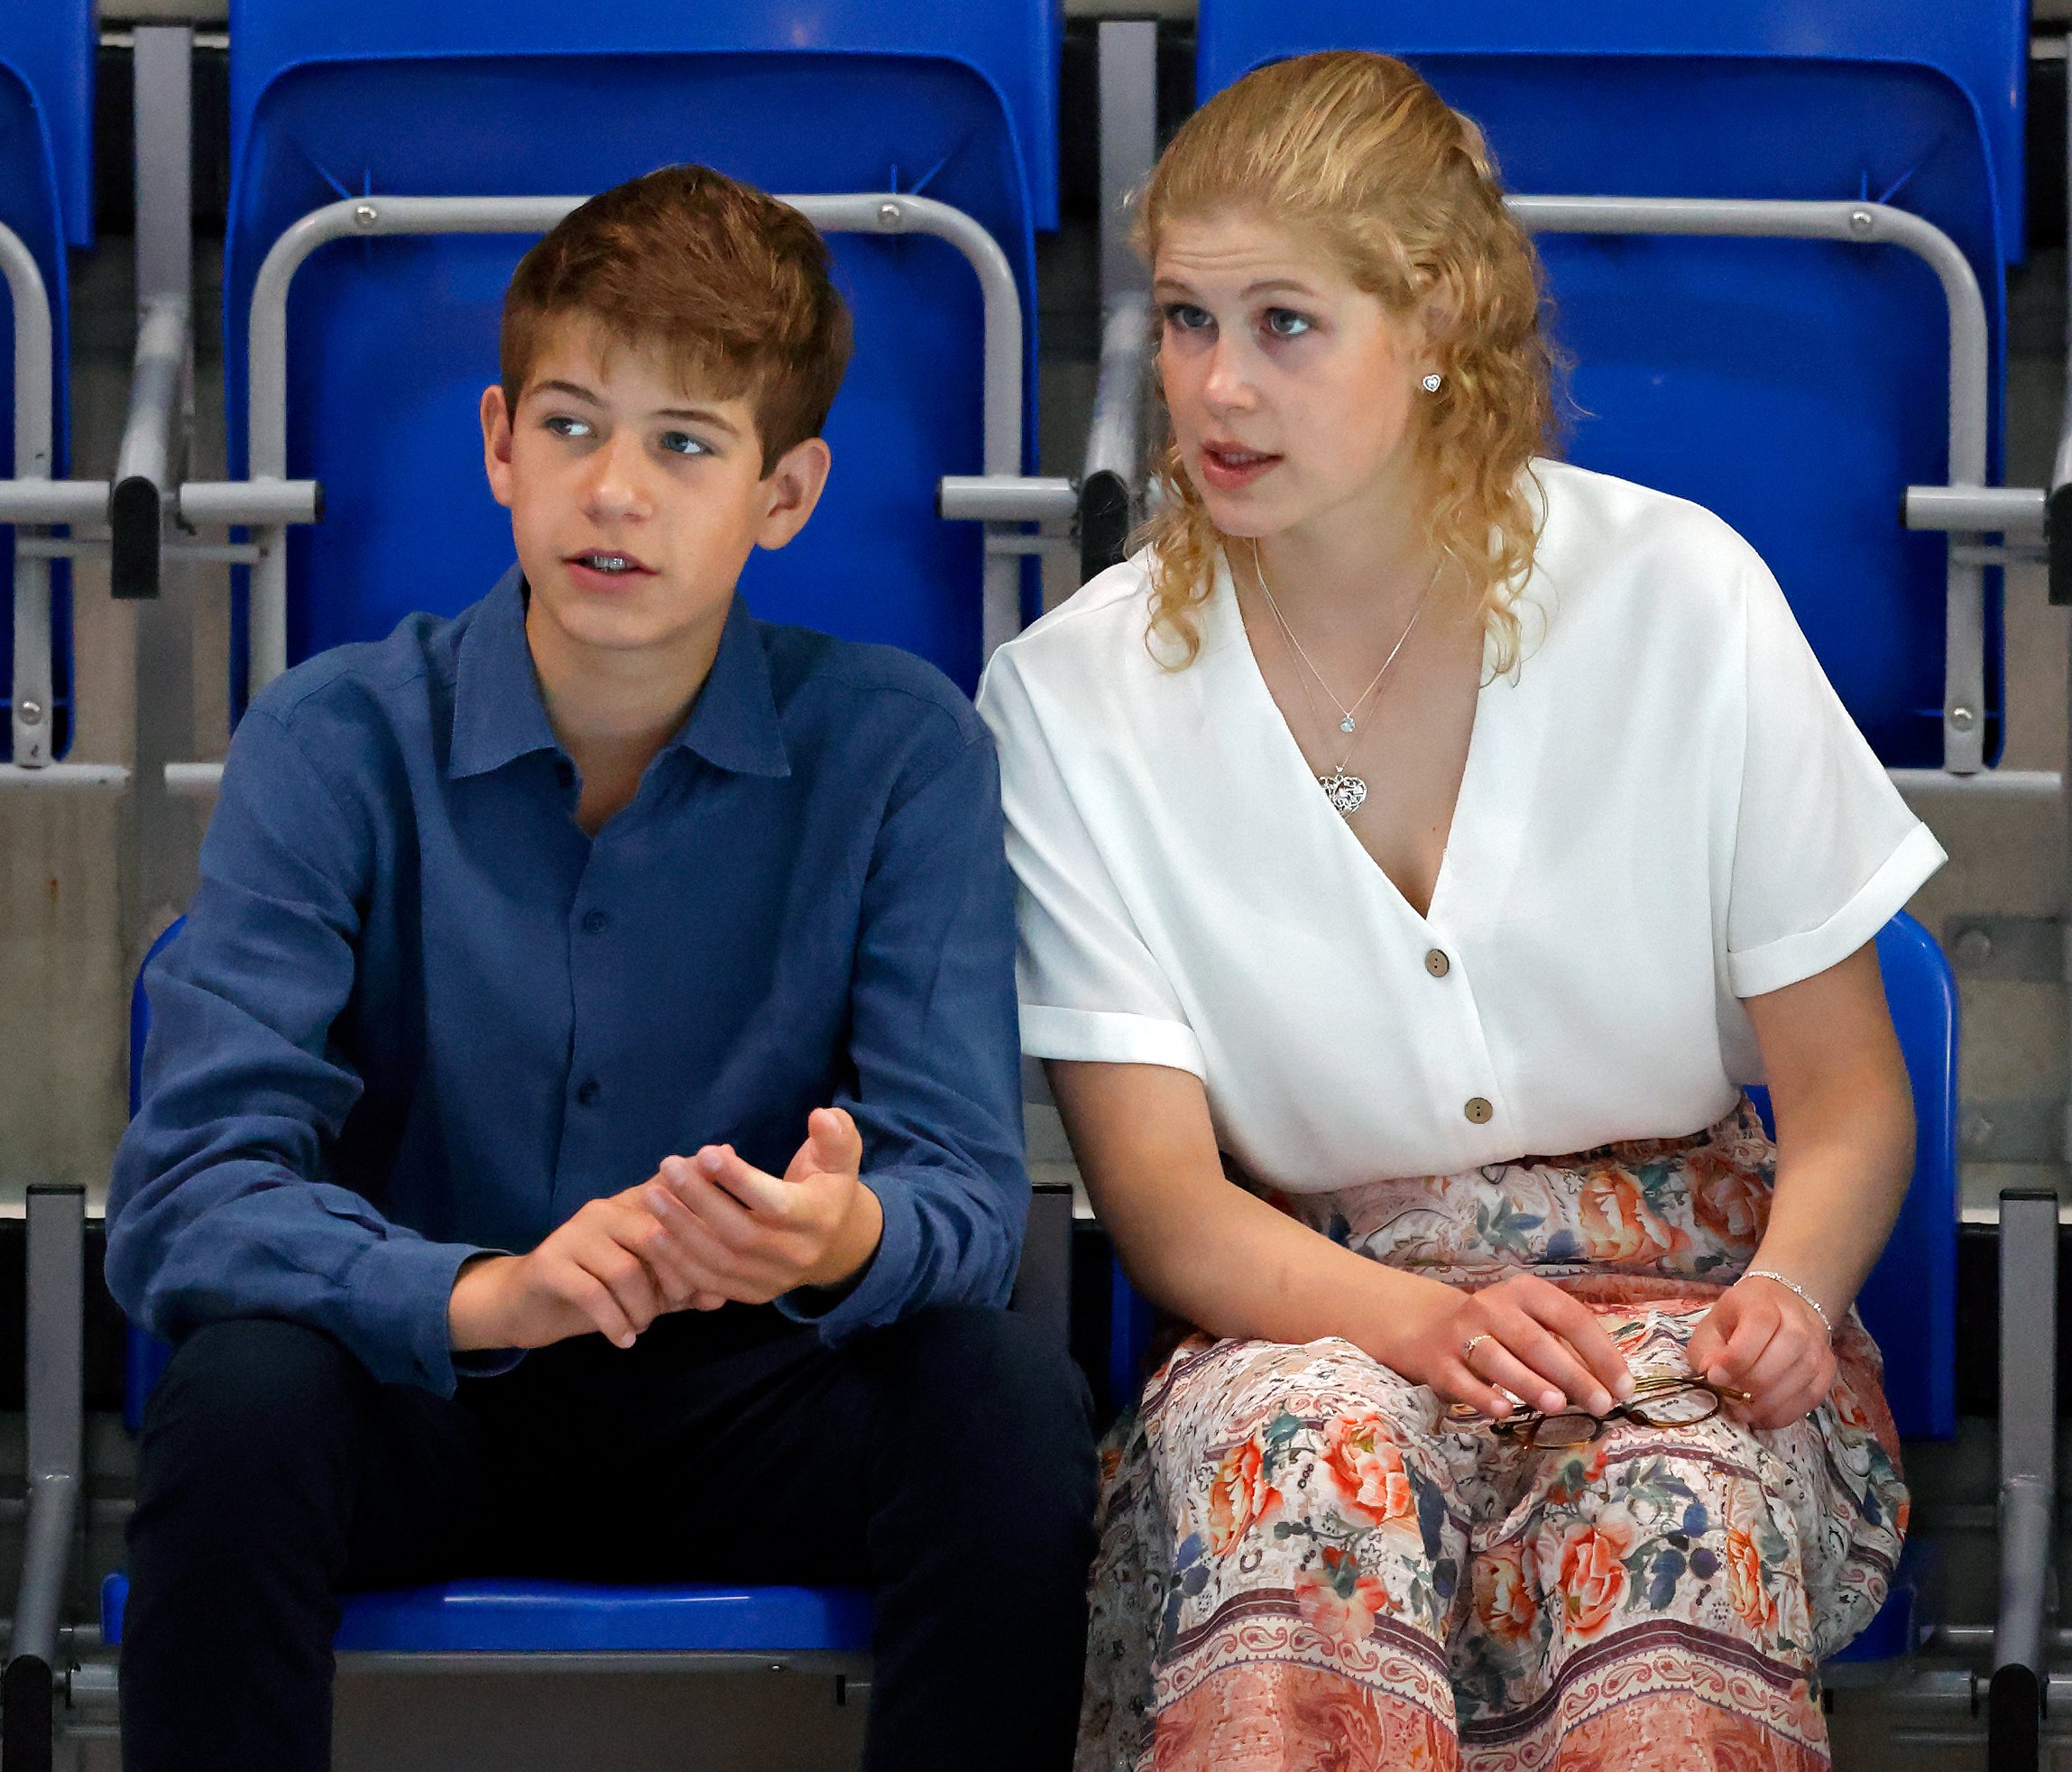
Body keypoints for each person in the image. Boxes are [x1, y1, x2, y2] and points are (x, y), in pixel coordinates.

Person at [977, 52, 1933, 1772]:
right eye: (1186, 321)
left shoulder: (1676, 593)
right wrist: (1421, 1324)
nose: (1214, 387)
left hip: (1678, 1298)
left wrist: (1788, 1293)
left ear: (1433, 323)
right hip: (1312, 1296)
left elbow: (1851, 1094)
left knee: (1671, 1500)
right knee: (1294, 1465)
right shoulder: (1069, 694)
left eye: (1283, 325)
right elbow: (1165, 1203)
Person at [106, 163, 1097, 1772]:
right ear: (497, 441)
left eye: (685, 444)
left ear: (784, 494)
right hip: (424, 1375)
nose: (614, 492)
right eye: (570, 427)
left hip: (754, 1393)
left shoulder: (899, 747)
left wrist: (837, 1238)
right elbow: (190, 1193)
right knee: (238, 1402)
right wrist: (495, 1292)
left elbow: (968, 1207)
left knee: (1001, 1403)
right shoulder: (333, 734)